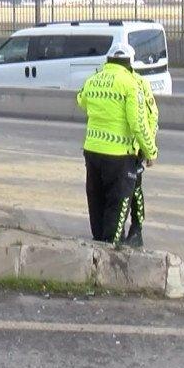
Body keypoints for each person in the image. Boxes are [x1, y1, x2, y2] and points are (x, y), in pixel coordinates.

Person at [75, 43, 157, 246]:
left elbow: (81, 100)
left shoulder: (93, 79)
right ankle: (113, 246)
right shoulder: (132, 83)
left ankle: (99, 242)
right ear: (130, 63)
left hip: (93, 151)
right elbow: (138, 123)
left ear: (108, 60)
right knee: (118, 204)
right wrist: (150, 151)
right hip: (120, 155)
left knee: (97, 201)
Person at [126, 63, 159, 247]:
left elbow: (152, 116)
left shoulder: (140, 83)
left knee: (135, 190)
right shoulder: (126, 81)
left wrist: (148, 149)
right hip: (123, 148)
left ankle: (137, 230)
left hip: (136, 147)